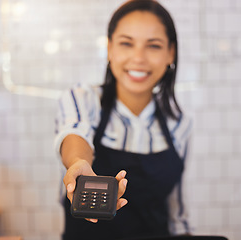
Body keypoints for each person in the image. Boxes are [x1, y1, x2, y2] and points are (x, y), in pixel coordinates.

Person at [54, 0, 193, 239]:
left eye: (154, 46)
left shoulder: (179, 123)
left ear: (171, 52)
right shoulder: (83, 99)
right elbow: (75, 133)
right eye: (126, 43)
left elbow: (176, 208)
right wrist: (78, 162)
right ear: (110, 49)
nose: (138, 58)